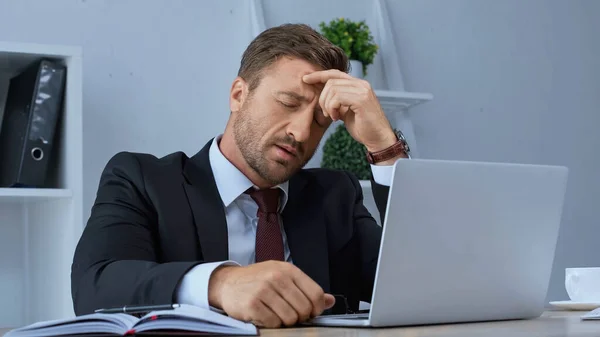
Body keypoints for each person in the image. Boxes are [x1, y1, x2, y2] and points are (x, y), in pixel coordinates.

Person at [70, 23, 409, 328]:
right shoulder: (143, 180)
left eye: (320, 121)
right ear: (238, 95)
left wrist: (384, 144)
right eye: (289, 103)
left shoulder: (335, 196)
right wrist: (221, 283)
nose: (302, 132)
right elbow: (96, 285)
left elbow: (417, 283)